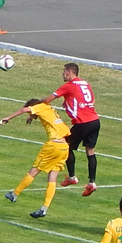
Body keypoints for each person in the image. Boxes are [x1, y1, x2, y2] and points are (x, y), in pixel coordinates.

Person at [0, 99, 71, 218]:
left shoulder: (39, 107)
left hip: (53, 146)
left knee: (34, 171)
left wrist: (8, 118)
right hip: (64, 147)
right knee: (52, 178)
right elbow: (41, 114)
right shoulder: (48, 108)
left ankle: (15, 194)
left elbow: (25, 109)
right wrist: (32, 117)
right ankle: (44, 209)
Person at [40, 63, 100, 197]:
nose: (63, 74)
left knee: (65, 146)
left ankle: (72, 177)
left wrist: (36, 104)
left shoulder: (68, 85)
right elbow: (92, 100)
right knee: (90, 151)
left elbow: (48, 99)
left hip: (83, 122)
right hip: (95, 121)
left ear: (69, 72)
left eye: (64, 71)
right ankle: (92, 182)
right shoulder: (85, 84)